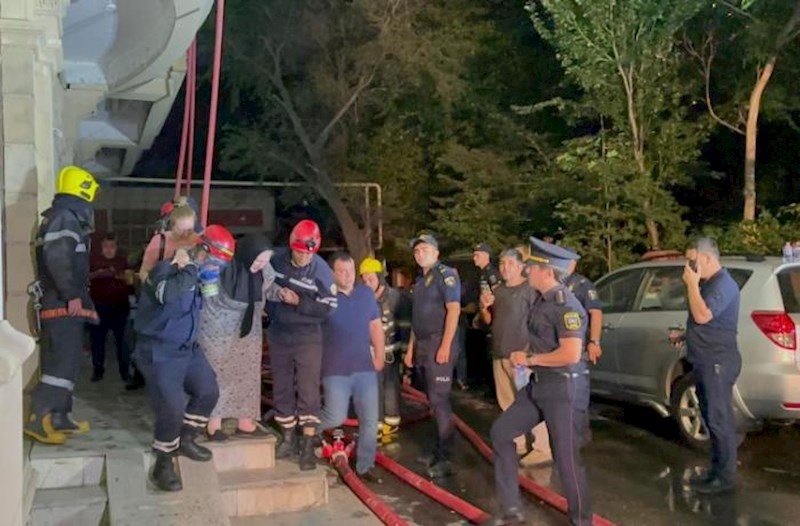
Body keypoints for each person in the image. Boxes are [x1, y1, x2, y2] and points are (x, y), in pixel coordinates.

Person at [490, 238, 591, 526]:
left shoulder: (566, 305)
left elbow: (570, 353)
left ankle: (581, 521)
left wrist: (530, 360)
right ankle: (511, 510)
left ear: (546, 272)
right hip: (541, 385)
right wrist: (530, 356)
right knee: (502, 432)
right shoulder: (539, 299)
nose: (526, 271)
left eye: (531, 267)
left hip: (564, 389)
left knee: (567, 460)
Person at [134, 225, 235, 492]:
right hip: (159, 350)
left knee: (208, 391)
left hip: (188, 348)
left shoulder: (200, 276)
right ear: (202, 250)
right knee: (173, 406)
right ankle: (163, 463)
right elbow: (166, 294)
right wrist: (189, 267)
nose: (216, 269)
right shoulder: (166, 270)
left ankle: (187, 439)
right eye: (214, 261)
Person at [25, 166, 100, 445]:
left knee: (68, 363)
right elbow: (58, 258)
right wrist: (71, 294)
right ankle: (37, 419)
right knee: (60, 364)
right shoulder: (65, 218)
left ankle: (60, 417)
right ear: (83, 189)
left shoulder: (61, 216)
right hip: (62, 303)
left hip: (62, 302)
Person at [266, 219, 337, 471]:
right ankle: (287, 438)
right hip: (279, 333)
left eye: (307, 253)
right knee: (282, 387)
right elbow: (262, 281)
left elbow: (329, 307)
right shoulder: (277, 260)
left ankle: (307, 445)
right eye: (298, 251)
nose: (302, 257)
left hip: (308, 337)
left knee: (308, 390)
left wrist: (299, 302)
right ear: (291, 246)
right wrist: (270, 302)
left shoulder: (322, 271)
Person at [199, 234, 275, 440]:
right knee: (220, 376)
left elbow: (268, 284)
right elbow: (210, 300)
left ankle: (246, 421)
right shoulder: (222, 268)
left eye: (266, 260)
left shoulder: (264, 269)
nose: (262, 264)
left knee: (248, 375)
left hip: (249, 330)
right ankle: (213, 423)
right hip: (219, 331)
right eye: (259, 260)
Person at [318, 253, 385, 482]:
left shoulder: (366, 294)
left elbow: (375, 326)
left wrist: (379, 354)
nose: (346, 275)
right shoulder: (325, 298)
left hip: (364, 369)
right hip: (334, 370)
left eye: (350, 270)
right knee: (334, 416)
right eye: (341, 271)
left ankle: (365, 466)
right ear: (333, 273)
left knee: (369, 420)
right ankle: (304, 431)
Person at [683, 238, 741, 494]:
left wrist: (692, 285)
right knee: (710, 418)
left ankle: (726, 479)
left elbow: (702, 314)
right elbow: (704, 320)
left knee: (719, 420)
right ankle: (716, 471)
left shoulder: (723, 284)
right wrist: (685, 336)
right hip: (706, 361)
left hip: (718, 361)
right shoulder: (710, 283)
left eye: (692, 261)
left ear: (707, 258)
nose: (689, 266)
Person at [478, 248, 544, 465]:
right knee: (508, 403)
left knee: (531, 402)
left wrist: (527, 353)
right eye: (502, 264)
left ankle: (542, 448)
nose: (505, 268)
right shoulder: (497, 291)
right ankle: (519, 443)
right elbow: (487, 320)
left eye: (510, 264)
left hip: (522, 357)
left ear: (520, 266)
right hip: (500, 354)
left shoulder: (530, 290)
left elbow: (539, 323)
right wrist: (484, 306)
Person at [403, 232, 461, 478]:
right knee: (431, 400)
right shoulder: (420, 282)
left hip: (439, 342)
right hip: (423, 344)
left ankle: (445, 456)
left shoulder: (445, 275)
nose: (420, 254)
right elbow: (417, 320)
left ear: (436, 253)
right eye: (416, 251)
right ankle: (437, 448)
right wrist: (410, 349)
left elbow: (454, 310)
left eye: (425, 249)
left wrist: (445, 345)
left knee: (440, 400)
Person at [359, 257, 410, 439]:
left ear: (380, 277)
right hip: (369, 356)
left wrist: (406, 356)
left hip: (390, 355)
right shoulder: (362, 298)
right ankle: (376, 426)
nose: (366, 282)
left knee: (390, 389)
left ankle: (391, 426)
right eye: (363, 279)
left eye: (370, 278)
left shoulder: (396, 298)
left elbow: (405, 327)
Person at [89, 233, 134, 383]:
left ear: (116, 248)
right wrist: (98, 274)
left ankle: (125, 371)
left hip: (119, 307)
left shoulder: (122, 261)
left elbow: (130, 280)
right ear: (101, 248)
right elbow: (84, 278)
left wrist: (116, 275)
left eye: (112, 247)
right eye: (106, 247)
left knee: (123, 341)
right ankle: (98, 371)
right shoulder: (93, 261)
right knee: (97, 340)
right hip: (99, 306)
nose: (109, 250)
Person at [139, 201, 199, 282]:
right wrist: (153, 289)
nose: (185, 235)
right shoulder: (159, 242)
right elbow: (144, 271)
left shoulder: (198, 242)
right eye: (181, 230)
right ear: (172, 226)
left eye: (190, 230)